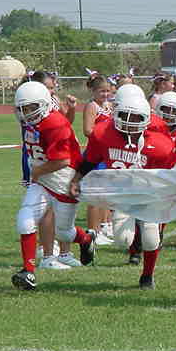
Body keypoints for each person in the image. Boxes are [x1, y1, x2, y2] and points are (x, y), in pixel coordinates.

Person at [70, 84, 176, 288]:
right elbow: (90, 160)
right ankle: (135, 239)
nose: (129, 122)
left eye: (136, 118)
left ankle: (147, 276)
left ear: (147, 118)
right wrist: (76, 179)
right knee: (123, 239)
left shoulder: (160, 143)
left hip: (149, 193)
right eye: (124, 115)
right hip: (122, 193)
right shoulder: (103, 132)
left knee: (152, 239)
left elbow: (169, 174)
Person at [12, 82, 96, 291]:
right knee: (25, 220)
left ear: (43, 104)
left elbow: (62, 161)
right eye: (22, 108)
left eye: (31, 107)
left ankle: (86, 239)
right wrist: (38, 173)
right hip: (42, 178)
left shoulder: (54, 123)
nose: (26, 113)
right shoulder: (31, 121)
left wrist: (36, 171)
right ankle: (28, 272)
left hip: (63, 178)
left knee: (64, 233)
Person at [83, 74, 114, 245]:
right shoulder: (92, 106)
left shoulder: (109, 106)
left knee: (107, 193)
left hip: (108, 153)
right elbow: (88, 130)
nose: (105, 94)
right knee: (96, 194)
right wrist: (105, 137)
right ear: (93, 91)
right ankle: (93, 231)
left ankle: (105, 225)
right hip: (96, 154)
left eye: (108, 91)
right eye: (102, 91)